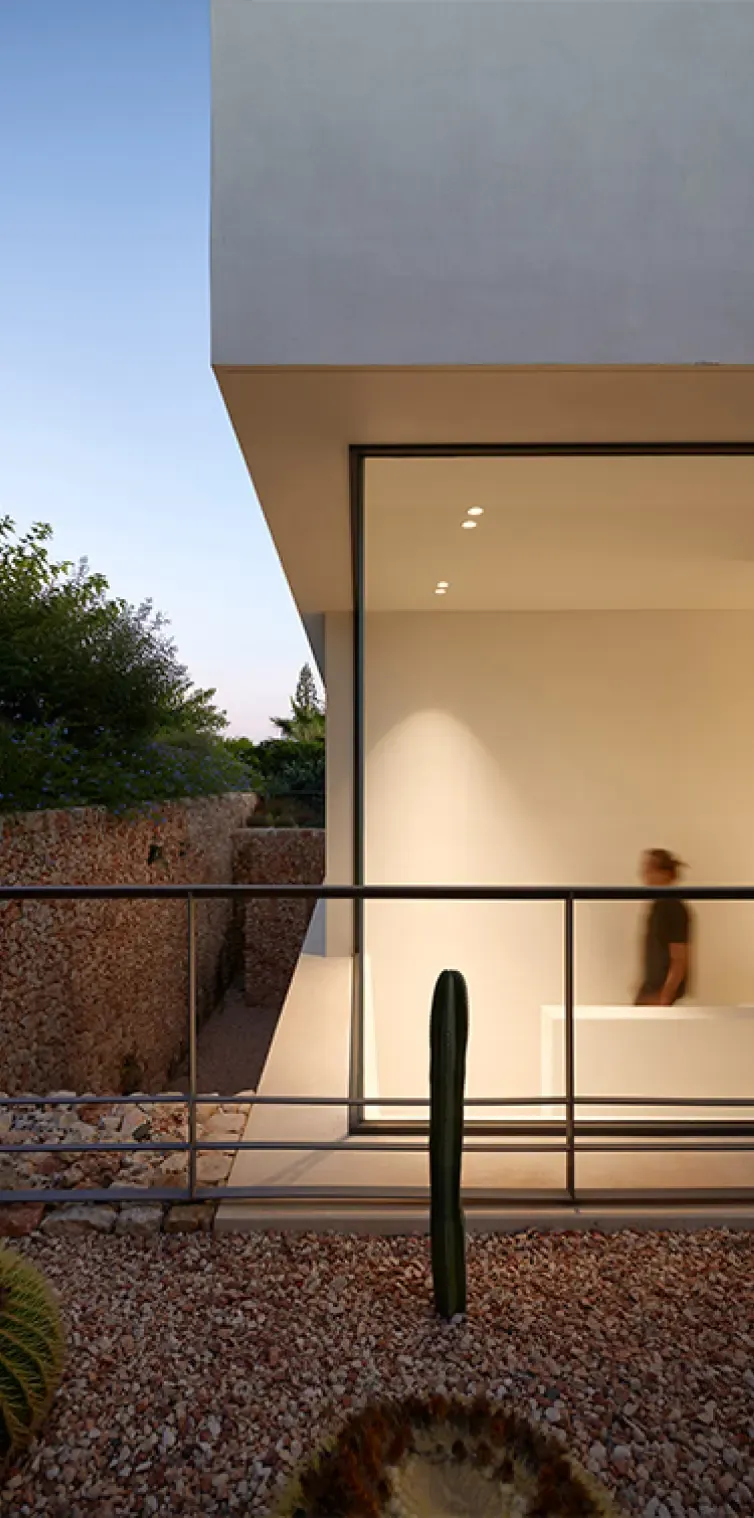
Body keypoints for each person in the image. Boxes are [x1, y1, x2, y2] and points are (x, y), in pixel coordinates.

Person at [635, 849, 692, 1007]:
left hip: (659, 993)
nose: (644, 874)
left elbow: (679, 956)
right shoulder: (660, 906)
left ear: (665, 873)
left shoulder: (672, 907)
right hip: (653, 990)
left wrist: (665, 995)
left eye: (649, 868)